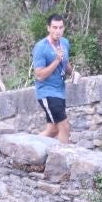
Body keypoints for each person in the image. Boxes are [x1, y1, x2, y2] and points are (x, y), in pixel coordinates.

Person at [31, 13, 74, 143]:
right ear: (48, 28)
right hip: (47, 92)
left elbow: (65, 63)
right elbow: (39, 75)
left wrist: (72, 73)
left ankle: (29, 144)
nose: (58, 31)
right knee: (64, 126)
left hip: (59, 91)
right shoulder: (41, 47)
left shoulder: (65, 43)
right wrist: (56, 60)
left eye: (60, 27)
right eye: (54, 27)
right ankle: (65, 158)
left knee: (53, 130)